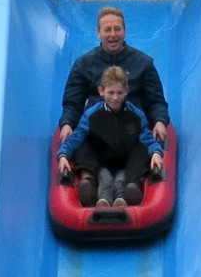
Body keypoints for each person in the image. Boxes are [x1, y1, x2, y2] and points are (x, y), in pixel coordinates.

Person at [59, 6, 170, 143]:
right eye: (107, 29)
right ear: (98, 33)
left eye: (117, 29)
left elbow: (156, 101)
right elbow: (72, 103)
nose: (113, 34)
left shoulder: (143, 64)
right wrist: (67, 124)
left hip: (132, 129)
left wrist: (159, 121)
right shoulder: (84, 65)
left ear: (124, 32)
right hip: (97, 130)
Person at [57, 66, 164, 208]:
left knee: (121, 179)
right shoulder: (92, 115)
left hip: (125, 161)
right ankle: (99, 200)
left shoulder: (136, 115)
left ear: (126, 91)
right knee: (105, 179)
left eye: (120, 93)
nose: (115, 97)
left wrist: (156, 152)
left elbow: (148, 138)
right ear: (101, 91)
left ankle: (125, 198)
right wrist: (63, 155)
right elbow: (76, 138)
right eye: (111, 92)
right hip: (102, 160)